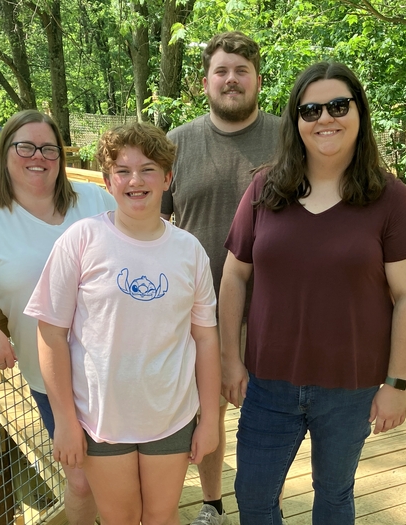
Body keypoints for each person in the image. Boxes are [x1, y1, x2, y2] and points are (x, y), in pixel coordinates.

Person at [219, 62, 406, 524]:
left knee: (333, 497)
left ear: (359, 113)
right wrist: (229, 359)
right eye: (310, 109)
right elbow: (234, 276)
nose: (324, 118)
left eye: (338, 105)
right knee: (253, 496)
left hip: (350, 386)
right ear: (296, 121)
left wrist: (397, 383)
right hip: (268, 382)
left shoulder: (390, 198)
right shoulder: (265, 187)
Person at [25, 122, 221, 525]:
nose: (136, 180)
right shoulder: (81, 240)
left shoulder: (189, 251)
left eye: (148, 169)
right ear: (107, 181)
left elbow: (205, 339)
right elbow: (50, 334)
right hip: (100, 418)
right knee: (121, 519)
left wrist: (210, 421)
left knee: (162, 516)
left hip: (170, 414)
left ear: (167, 178)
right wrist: (64, 421)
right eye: (123, 171)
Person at [0, 109, 116, 525]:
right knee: (81, 480)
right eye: (26, 146)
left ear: (60, 156)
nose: (39, 156)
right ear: (5, 153)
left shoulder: (93, 201)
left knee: (126, 470)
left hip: (117, 368)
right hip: (52, 376)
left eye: (49, 148)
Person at [161, 31, 281, 525]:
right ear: (205, 81)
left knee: (268, 415)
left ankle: (262, 502)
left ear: (257, 79)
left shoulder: (288, 136)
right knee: (206, 413)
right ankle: (211, 503)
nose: (231, 80)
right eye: (222, 71)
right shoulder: (177, 143)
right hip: (198, 309)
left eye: (241, 71)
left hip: (276, 306)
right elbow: (153, 221)